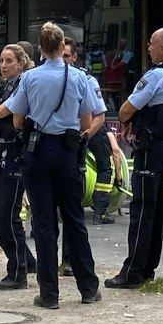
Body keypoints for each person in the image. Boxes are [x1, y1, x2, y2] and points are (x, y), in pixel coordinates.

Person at [7, 22, 103, 309]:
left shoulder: (30, 78)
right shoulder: (79, 78)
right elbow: (87, 121)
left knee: (44, 223)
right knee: (74, 218)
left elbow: (17, 120)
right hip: (66, 150)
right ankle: (88, 287)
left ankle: (49, 294)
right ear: (63, 47)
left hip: (37, 151)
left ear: (40, 48)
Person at [107, 27, 163, 289]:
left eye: (152, 44)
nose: (148, 48)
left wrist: (129, 119)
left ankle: (132, 273)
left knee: (142, 210)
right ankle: (148, 270)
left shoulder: (156, 76)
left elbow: (125, 110)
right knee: (157, 213)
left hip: (151, 149)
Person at [0, 44, 37, 288]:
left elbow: (3, 112)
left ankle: (17, 272)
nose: (3, 65)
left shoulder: (24, 84)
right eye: (1, 60)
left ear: (21, 63)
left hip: (15, 153)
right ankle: (25, 259)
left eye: (9, 60)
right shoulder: (4, 85)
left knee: (8, 214)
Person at [64, 38, 122, 225]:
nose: (63, 59)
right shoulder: (50, 78)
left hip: (92, 128)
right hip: (67, 130)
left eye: (66, 55)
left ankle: (100, 211)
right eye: (60, 55)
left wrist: (87, 134)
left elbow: (100, 113)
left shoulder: (86, 79)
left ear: (74, 57)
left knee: (105, 166)